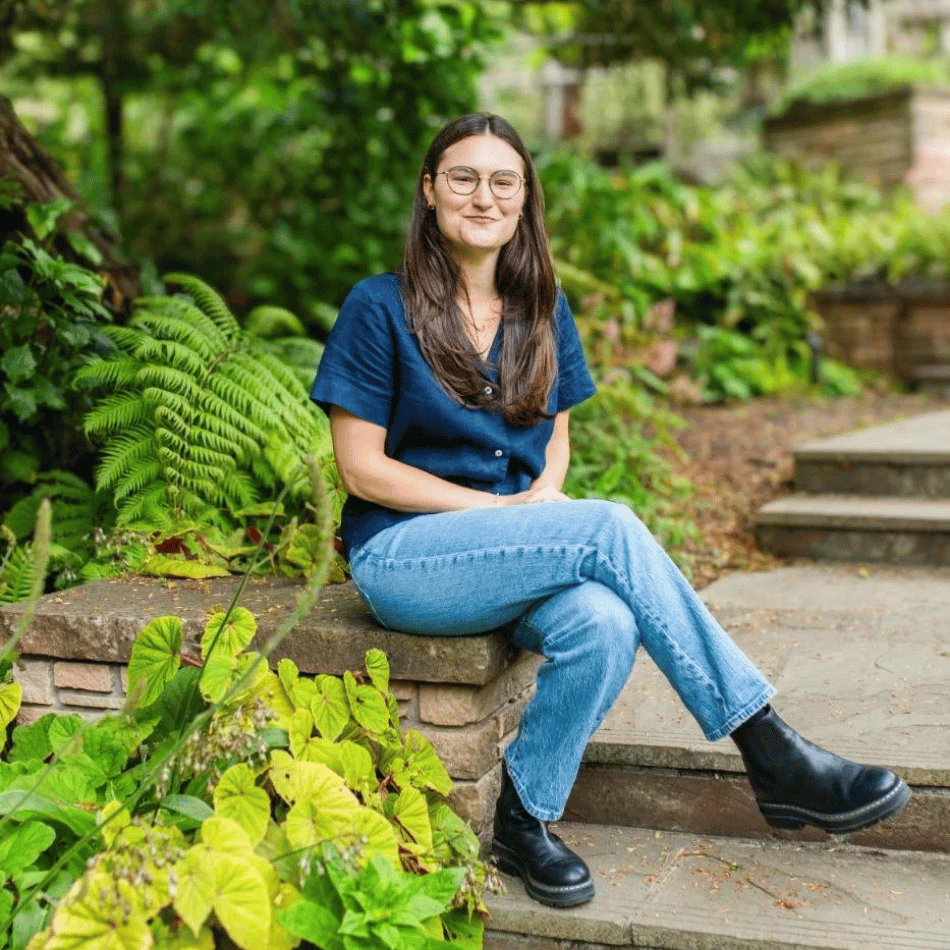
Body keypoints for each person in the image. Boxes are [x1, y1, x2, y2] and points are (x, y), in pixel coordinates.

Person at [310, 112, 910, 909]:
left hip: (513, 550)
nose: (484, 197)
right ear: (429, 191)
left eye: (503, 181)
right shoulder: (377, 306)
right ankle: (767, 746)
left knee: (604, 621)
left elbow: (553, 443)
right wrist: (504, 514)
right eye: (463, 178)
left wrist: (537, 503)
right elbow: (362, 470)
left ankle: (525, 818)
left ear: (524, 198)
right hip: (408, 557)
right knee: (607, 524)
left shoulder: (542, 309)